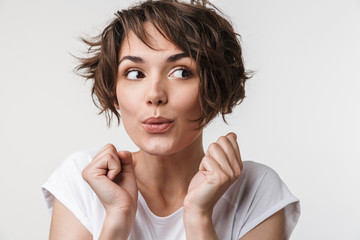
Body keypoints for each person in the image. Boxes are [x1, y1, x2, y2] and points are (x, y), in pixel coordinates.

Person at [42, 0, 300, 239]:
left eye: (181, 72)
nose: (155, 95)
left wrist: (199, 218)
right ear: (114, 93)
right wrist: (117, 222)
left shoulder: (256, 190)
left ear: (213, 88)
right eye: (134, 73)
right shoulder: (82, 180)